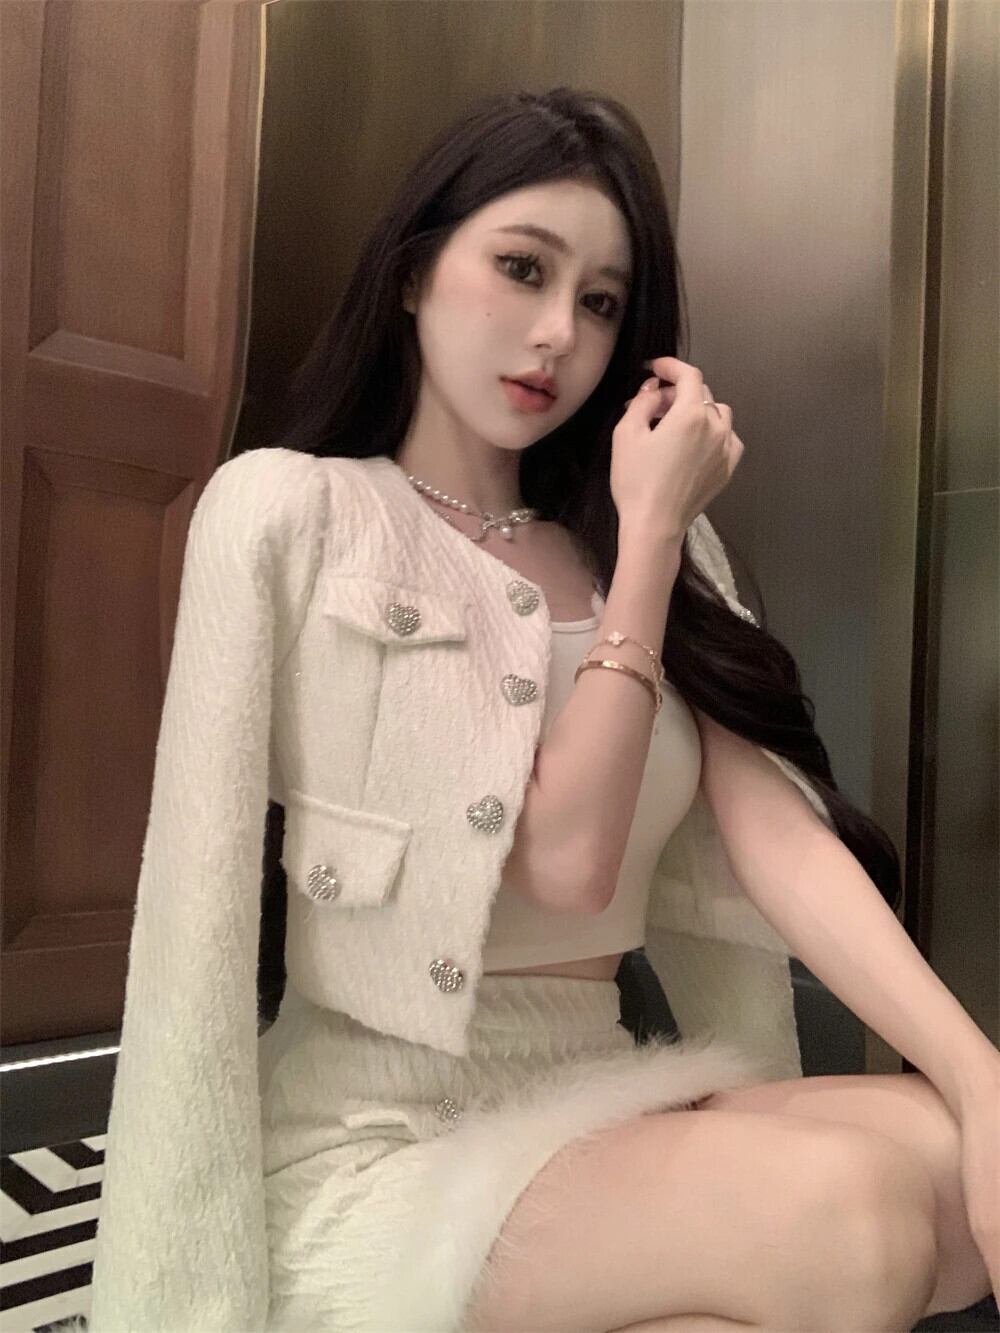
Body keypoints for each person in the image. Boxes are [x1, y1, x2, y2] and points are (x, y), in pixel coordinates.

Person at [73, 87, 997, 1333]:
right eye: (521, 268)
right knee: (852, 1217)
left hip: (601, 1091)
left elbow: (777, 840)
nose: (558, 332)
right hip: (378, 1140)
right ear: (413, 271)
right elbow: (550, 865)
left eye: (601, 301)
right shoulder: (294, 513)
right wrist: (652, 536)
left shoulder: (651, 545)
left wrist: (978, 1076)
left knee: (946, 1159)